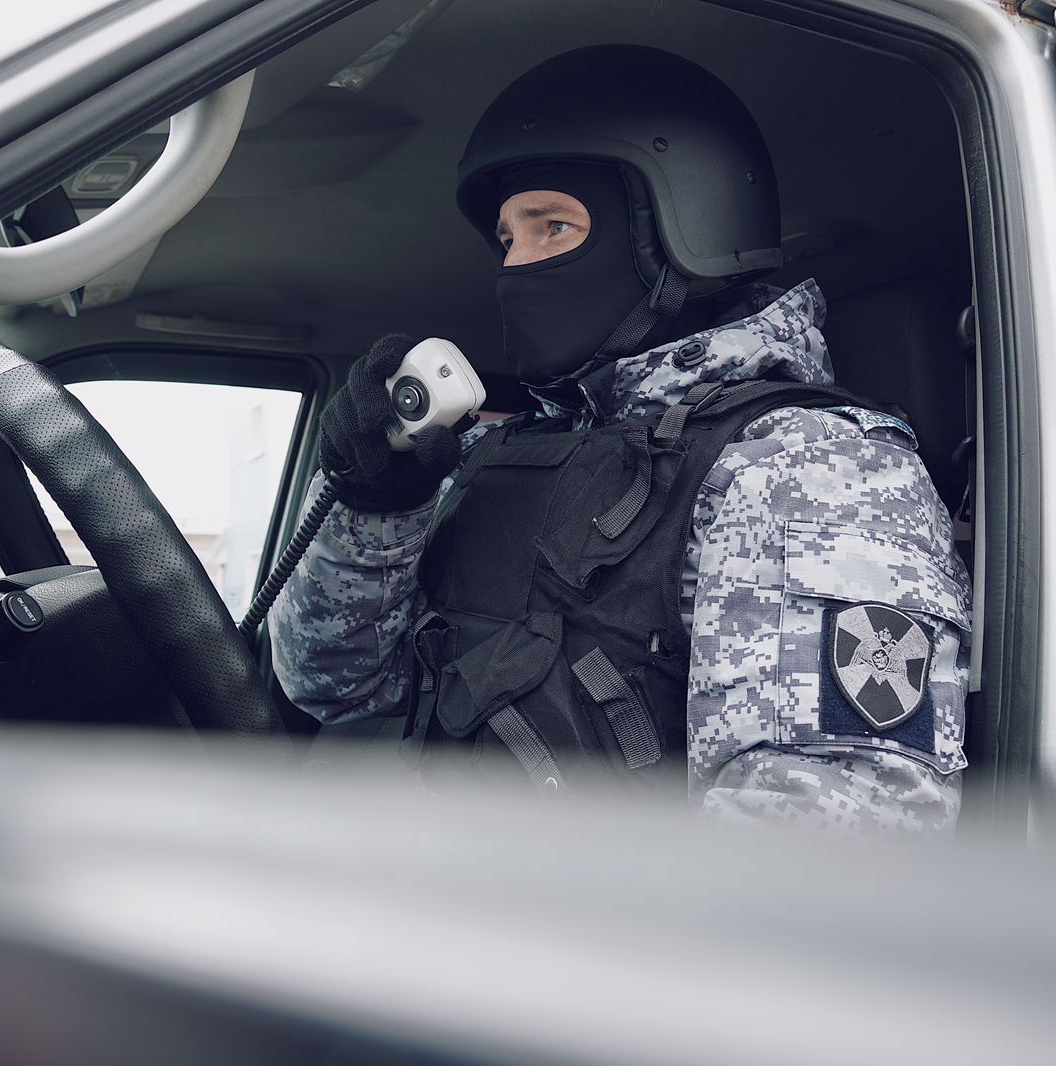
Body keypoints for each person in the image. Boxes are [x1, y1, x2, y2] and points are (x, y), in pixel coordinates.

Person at [271, 45, 972, 832]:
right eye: (507, 239)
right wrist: (376, 506)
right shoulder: (502, 456)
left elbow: (826, 856)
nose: (518, 265)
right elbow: (329, 684)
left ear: (681, 230)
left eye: (553, 227)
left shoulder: (808, 467)